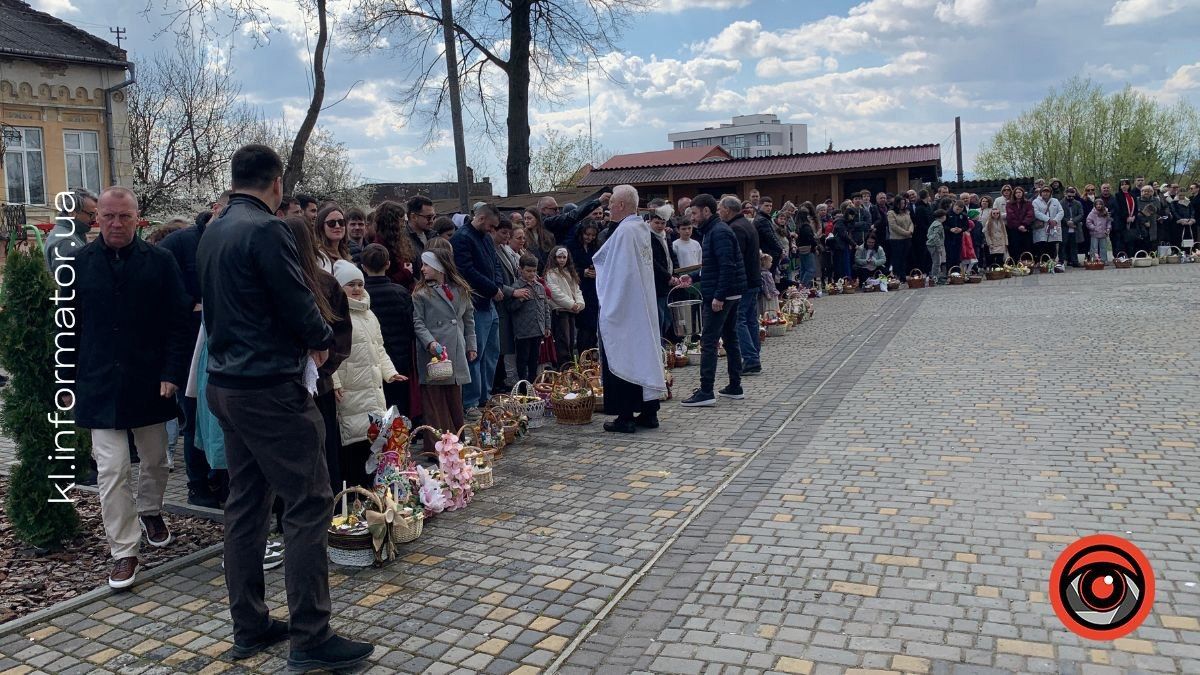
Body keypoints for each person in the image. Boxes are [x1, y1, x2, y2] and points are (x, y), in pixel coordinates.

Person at [197, 145, 373, 670]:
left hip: (226, 383)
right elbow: (296, 301)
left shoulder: (214, 230)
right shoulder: (268, 229)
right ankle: (311, 637)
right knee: (309, 500)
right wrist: (320, 335)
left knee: (246, 504)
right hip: (269, 387)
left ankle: (249, 625)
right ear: (276, 184)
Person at [65, 186, 191, 590]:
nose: (116, 223)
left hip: (150, 381)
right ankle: (124, 551)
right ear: (95, 218)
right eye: (108, 216)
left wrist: (172, 372)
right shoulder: (79, 264)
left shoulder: (160, 261)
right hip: (99, 383)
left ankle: (151, 508)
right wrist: (67, 381)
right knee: (112, 470)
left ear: (139, 219)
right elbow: (67, 327)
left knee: (156, 459)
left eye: (124, 216)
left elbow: (178, 321)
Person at [593, 185, 667, 432]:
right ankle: (649, 412)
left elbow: (615, 271)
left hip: (624, 308)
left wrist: (609, 304)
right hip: (641, 306)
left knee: (622, 356)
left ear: (621, 205)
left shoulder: (625, 232)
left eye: (612, 202)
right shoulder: (640, 228)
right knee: (643, 356)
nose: (609, 206)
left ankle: (624, 416)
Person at [331, 263, 405, 489]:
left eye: (360, 284)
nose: (356, 289)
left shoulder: (368, 313)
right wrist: (334, 382)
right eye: (350, 285)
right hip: (350, 387)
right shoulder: (336, 314)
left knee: (372, 441)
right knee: (352, 442)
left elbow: (378, 347)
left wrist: (390, 372)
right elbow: (330, 352)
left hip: (372, 387)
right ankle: (353, 493)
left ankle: (370, 490)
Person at [453, 203, 527, 412]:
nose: (492, 230)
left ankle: (485, 394)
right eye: (492, 226)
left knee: (492, 352)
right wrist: (491, 288)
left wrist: (496, 286)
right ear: (482, 218)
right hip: (475, 302)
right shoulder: (462, 238)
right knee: (476, 353)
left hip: (490, 302)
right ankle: (471, 401)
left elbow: (494, 264)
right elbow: (466, 270)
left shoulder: (485, 238)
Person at [681, 194, 746, 408]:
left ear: (707, 211)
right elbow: (713, 266)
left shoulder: (718, 232)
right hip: (728, 292)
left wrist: (719, 296)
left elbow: (727, 266)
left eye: (695, 213)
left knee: (708, 342)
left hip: (722, 295)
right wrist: (694, 277)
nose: (692, 217)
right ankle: (735, 386)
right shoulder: (713, 231)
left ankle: (706, 391)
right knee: (730, 339)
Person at [412, 247, 476, 454]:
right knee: (435, 401)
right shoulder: (421, 293)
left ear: (439, 267)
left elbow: (468, 319)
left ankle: (457, 441)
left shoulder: (460, 290)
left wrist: (471, 344)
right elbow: (418, 323)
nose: (422, 269)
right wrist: (430, 343)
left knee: (454, 398)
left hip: (455, 350)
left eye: (426, 265)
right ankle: (436, 446)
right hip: (434, 353)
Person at [508, 254, 552, 382]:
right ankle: (522, 384)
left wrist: (547, 326)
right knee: (522, 359)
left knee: (535, 359)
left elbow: (546, 308)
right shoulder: (516, 288)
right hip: (523, 332)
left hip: (538, 330)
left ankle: (533, 383)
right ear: (520, 269)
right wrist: (520, 300)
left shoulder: (540, 287)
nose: (531, 274)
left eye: (534, 271)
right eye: (528, 271)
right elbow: (510, 308)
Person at [546, 245, 584, 367]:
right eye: (559, 257)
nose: (562, 260)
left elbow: (577, 290)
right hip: (560, 311)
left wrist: (579, 303)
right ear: (554, 258)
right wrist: (571, 304)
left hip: (571, 311)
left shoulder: (570, 273)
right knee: (563, 340)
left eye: (564, 257)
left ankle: (570, 365)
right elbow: (555, 293)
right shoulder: (551, 274)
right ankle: (564, 366)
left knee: (571, 340)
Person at [44, 187, 97, 276]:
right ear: (72, 213)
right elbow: (69, 281)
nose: (95, 219)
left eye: (96, 215)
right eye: (91, 215)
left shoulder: (76, 234)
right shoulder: (66, 241)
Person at [569, 223, 602, 352]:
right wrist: (583, 272)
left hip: (593, 288)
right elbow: (569, 267)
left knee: (593, 323)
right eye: (587, 235)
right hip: (579, 287)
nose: (590, 238)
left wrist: (596, 272)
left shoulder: (596, 246)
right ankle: (584, 351)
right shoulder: (572, 246)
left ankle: (592, 351)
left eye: (593, 235)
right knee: (584, 324)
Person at [372, 201, 417, 289]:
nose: (404, 225)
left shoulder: (398, 242)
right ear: (391, 223)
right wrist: (406, 273)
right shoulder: (379, 248)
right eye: (401, 221)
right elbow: (381, 281)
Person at [314, 204, 352, 272]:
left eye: (341, 222)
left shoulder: (345, 252)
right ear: (321, 227)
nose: (337, 226)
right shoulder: (319, 256)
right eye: (331, 223)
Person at [1032, 186, 1063, 264]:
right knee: (1042, 245)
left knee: (1052, 245)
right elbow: (1036, 213)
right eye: (1044, 191)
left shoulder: (1055, 201)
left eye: (1047, 191)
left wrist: (1055, 220)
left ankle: (1051, 262)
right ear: (1041, 193)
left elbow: (1061, 212)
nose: (1046, 193)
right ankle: (1042, 263)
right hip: (1042, 227)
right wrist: (1047, 219)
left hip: (1053, 226)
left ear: (1050, 193)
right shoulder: (1036, 202)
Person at [1005, 186, 1034, 262]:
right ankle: (1016, 263)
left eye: (1020, 192)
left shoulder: (1028, 203)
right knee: (1015, 247)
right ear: (1014, 194)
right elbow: (1011, 216)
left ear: (1023, 193)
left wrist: (1024, 225)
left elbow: (1030, 214)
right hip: (1014, 229)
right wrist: (1018, 226)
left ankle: (1027, 264)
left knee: (1027, 246)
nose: (1018, 194)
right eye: (1016, 192)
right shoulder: (1009, 204)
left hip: (1026, 228)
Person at [522, 208, 556, 273]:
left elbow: (552, 256)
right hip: (532, 272)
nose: (526, 221)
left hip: (548, 272)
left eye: (529, 218)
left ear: (537, 219)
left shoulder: (548, 236)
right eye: (525, 218)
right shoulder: (523, 236)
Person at [406, 195, 437, 261]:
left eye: (434, 217)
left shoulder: (434, 236)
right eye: (428, 217)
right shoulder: (401, 239)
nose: (432, 221)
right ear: (413, 217)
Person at [1061, 188, 1084, 266]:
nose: (1070, 198)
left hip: (1075, 226)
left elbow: (1081, 214)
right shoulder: (1061, 203)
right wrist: (1067, 222)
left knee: (1074, 244)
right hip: (1065, 226)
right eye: (1069, 196)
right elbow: (1060, 214)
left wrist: (1073, 221)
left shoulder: (1078, 203)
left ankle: (1075, 261)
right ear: (1065, 194)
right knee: (1064, 245)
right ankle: (1063, 261)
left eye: (1072, 196)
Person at [927, 209, 947, 280]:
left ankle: (935, 276)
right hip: (934, 245)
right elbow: (936, 236)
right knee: (937, 262)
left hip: (931, 244)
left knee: (936, 261)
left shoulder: (934, 223)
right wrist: (939, 247)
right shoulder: (938, 225)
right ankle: (934, 277)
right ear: (942, 217)